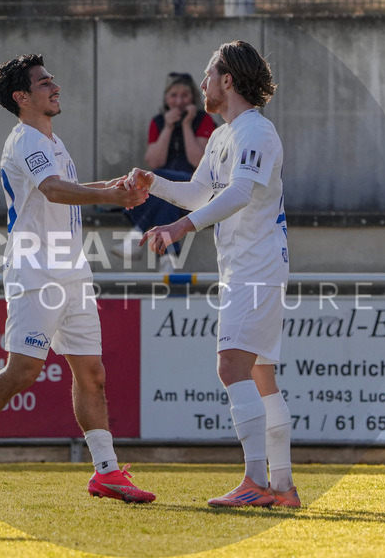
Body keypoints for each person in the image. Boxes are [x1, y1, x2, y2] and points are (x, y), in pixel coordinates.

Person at [0, 54, 155, 504]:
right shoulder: (25, 140)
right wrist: (110, 194)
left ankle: (106, 472)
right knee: (24, 370)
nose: (55, 87)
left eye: (53, 80)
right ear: (22, 96)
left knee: (92, 373)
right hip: (36, 270)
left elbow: (62, 189)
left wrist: (116, 186)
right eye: (44, 82)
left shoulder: (52, 141)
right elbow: (52, 190)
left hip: (72, 271)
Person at [128, 41, 298, 508]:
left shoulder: (256, 132)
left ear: (228, 80)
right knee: (262, 376)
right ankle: (282, 487)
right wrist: (153, 182)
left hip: (257, 266)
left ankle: (255, 482)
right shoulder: (225, 135)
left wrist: (182, 226)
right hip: (246, 266)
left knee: (231, 367)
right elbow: (200, 192)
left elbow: (240, 193)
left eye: (208, 74)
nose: (201, 83)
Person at [115, 72, 217, 272]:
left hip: (195, 187)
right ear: (166, 98)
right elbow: (155, 161)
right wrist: (168, 127)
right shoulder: (159, 122)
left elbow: (197, 161)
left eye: (184, 95)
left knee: (158, 181)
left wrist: (187, 125)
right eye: (173, 95)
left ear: (193, 97)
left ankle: (136, 236)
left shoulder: (203, 120)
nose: (179, 101)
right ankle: (168, 258)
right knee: (163, 196)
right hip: (167, 192)